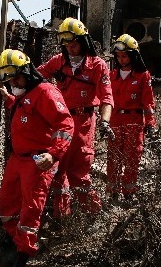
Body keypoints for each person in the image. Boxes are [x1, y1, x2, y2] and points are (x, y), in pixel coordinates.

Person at [0, 49, 74, 267]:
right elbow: (25, 114)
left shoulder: (46, 92)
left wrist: (54, 153)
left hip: (37, 160)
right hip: (17, 159)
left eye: (16, 78)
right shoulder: (24, 94)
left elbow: (65, 124)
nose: (14, 84)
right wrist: (8, 98)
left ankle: (21, 266)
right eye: (10, 80)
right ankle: (21, 245)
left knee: (30, 212)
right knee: (7, 206)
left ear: (27, 72)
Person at [37, 17, 114, 218]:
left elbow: (107, 97)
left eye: (74, 44)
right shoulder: (58, 61)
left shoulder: (97, 65)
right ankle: (61, 217)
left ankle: (94, 215)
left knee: (78, 173)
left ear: (83, 41)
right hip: (60, 122)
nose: (70, 48)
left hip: (83, 122)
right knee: (57, 169)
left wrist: (105, 122)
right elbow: (36, 76)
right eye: (66, 45)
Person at [101, 34, 156, 205]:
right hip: (115, 122)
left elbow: (148, 103)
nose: (121, 59)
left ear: (133, 56)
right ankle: (113, 193)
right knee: (114, 159)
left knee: (132, 159)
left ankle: (129, 193)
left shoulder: (143, 76)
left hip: (134, 122)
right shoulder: (111, 75)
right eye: (118, 56)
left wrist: (150, 123)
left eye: (124, 56)